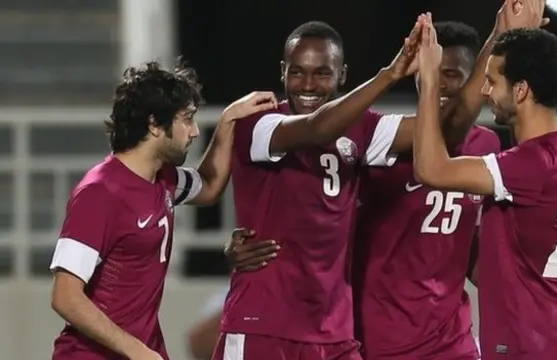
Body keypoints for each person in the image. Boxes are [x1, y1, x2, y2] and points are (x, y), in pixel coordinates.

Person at [213, 19, 425, 360]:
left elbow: (442, 129)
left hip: (334, 333)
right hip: (263, 326)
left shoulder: (364, 128)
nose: (307, 84)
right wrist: (390, 73)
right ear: (282, 72)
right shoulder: (260, 123)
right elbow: (317, 129)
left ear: (342, 74)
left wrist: (436, 76)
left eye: (322, 73)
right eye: (297, 72)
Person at [48, 60, 278, 360]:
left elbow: (209, 185)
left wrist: (228, 120)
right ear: (155, 124)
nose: (194, 131)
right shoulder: (99, 193)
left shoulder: (163, 179)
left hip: (145, 350)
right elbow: (65, 297)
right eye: (186, 119)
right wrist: (135, 349)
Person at [415, 10, 557, 360]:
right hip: (556, 336)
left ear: (521, 90)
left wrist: (431, 81)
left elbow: (431, 169)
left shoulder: (531, 166)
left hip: (528, 345)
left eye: (493, 81)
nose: (484, 90)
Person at [351, 21, 499, 360]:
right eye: (434, 70)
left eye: (453, 73)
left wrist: (515, 288)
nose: (441, 81)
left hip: (451, 339)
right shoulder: (384, 141)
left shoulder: (487, 144)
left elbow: (467, 238)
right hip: (381, 336)